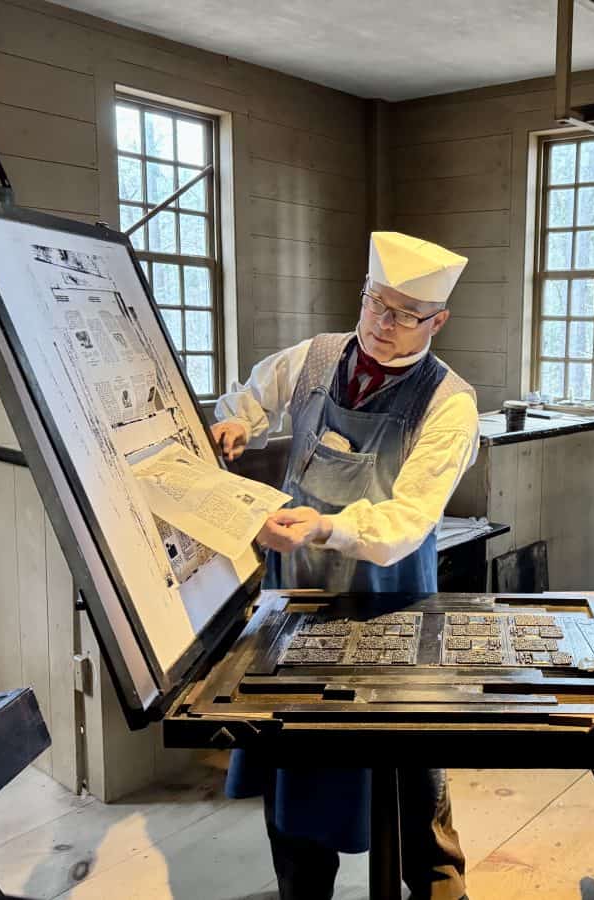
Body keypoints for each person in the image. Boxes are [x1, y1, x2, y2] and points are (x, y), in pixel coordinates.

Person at [211, 232, 478, 900]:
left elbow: (409, 518)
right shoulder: (316, 358)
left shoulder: (449, 403)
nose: (384, 323)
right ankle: (303, 891)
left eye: (406, 315)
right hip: (298, 593)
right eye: (375, 303)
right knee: (294, 757)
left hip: (390, 598)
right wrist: (236, 422)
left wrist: (328, 525)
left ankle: (438, 886)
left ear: (438, 322)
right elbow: (254, 394)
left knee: (411, 768)